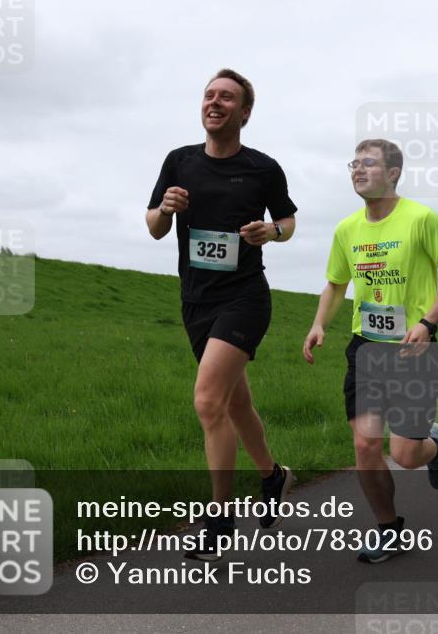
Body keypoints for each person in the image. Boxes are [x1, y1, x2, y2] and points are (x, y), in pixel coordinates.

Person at [146, 69, 297, 561]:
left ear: (244, 112)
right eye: (209, 95)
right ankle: (273, 474)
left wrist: (269, 233)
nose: (215, 102)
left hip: (245, 298)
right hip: (195, 301)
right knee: (234, 405)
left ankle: (219, 517)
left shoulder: (263, 168)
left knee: (208, 400)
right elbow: (152, 227)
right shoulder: (179, 162)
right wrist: (165, 209)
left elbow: (289, 221)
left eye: (227, 97)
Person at [303, 138, 438, 563]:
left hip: (413, 349)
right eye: (353, 164)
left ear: (393, 173)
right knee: (364, 446)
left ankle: (433, 446)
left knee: (405, 456)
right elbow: (337, 284)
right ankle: (389, 528)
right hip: (366, 350)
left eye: (368, 164)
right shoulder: (346, 229)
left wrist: (428, 323)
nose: (358, 170)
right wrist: (320, 322)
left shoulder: (421, 218)